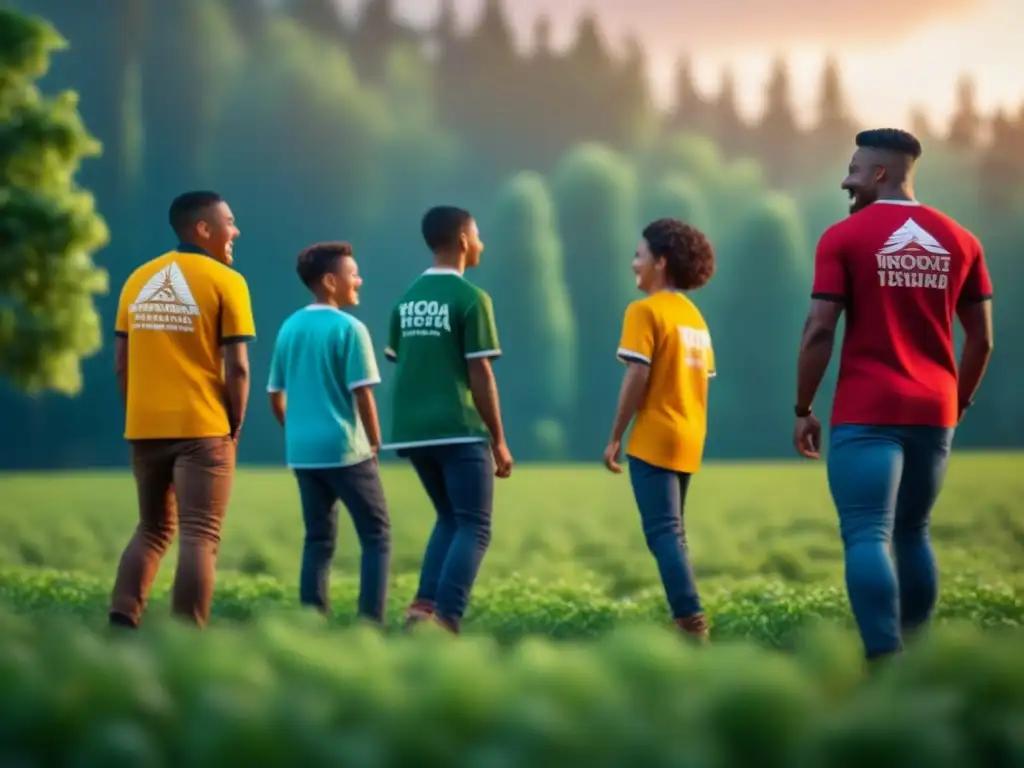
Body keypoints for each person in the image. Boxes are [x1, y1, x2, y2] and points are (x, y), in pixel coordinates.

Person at [793, 128, 995, 663]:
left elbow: (819, 330)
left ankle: (884, 659)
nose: (847, 180)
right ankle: (921, 657)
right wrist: (960, 401)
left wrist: (803, 408)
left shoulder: (844, 237)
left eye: (855, 170)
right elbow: (982, 338)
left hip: (867, 410)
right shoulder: (962, 240)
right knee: (913, 530)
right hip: (934, 411)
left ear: (880, 173)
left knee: (866, 533)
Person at [109, 190, 255, 628]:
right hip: (204, 428)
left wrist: (138, 413)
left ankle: (122, 616)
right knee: (200, 534)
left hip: (145, 426)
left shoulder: (138, 279)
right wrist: (235, 424)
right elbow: (239, 368)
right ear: (203, 229)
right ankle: (186, 634)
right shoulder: (228, 282)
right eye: (229, 221)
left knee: (151, 529)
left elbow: (121, 362)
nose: (236, 230)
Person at [384, 205, 513, 634]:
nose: (481, 243)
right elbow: (480, 374)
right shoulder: (471, 299)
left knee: (450, 517)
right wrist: (498, 439)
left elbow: (407, 362)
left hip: (412, 430)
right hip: (458, 427)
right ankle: (447, 618)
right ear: (462, 239)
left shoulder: (406, 300)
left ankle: (422, 607)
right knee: (475, 526)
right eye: (477, 235)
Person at [603, 217, 717, 643]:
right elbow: (701, 383)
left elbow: (637, 373)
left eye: (639, 255)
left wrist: (616, 435)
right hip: (689, 435)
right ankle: (687, 617)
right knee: (674, 532)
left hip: (654, 434)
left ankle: (690, 620)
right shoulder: (694, 317)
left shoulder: (644, 311)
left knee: (663, 533)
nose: (634, 263)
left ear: (661, 262)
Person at [266, 242, 391, 623]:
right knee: (376, 535)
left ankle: (312, 620)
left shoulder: (290, 326)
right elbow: (363, 392)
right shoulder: (350, 329)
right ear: (330, 281)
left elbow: (275, 393)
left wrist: (296, 427)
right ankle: (371, 621)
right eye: (352, 274)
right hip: (344, 449)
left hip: (303, 452)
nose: (359, 280)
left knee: (318, 539)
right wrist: (374, 440)